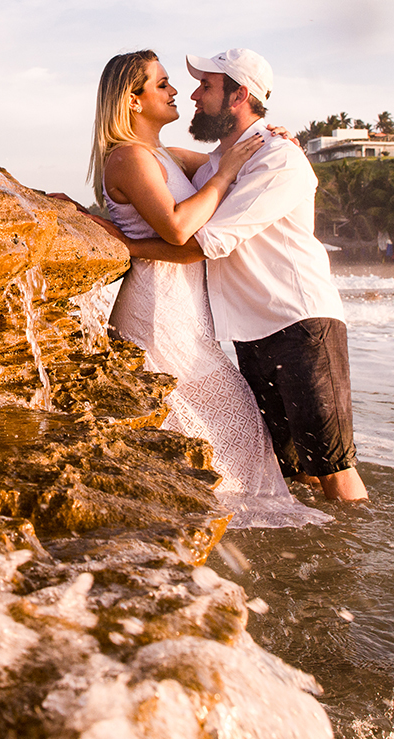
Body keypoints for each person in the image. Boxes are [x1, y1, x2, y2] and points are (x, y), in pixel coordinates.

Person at [86, 49, 332, 526]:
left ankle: (213, 532)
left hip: (190, 315)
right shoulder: (129, 156)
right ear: (132, 101)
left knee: (234, 444)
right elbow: (180, 229)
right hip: (158, 313)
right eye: (162, 84)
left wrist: (273, 140)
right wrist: (222, 173)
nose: (177, 91)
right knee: (227, 438)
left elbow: (242, 161)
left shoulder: (164, 156)